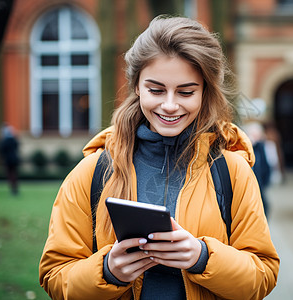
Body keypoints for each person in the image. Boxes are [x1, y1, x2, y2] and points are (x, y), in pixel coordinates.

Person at [39, 16, 279, 300]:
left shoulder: (233, 170)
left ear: (205, 92)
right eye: (155, 90)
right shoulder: (93, 171)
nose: (169, 105)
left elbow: (262, 277)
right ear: (137, 86)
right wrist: (107, 271)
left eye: (186, 92)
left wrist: (202, 257)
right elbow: (55, 277)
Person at [244, 122, 272, 217]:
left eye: (257, 135)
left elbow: (268, 164)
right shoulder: (245, 147)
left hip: (260, 182)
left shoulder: (263, 147)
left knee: (263, 205)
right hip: (249, 183)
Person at [0, 123, 19, 195]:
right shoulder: (13, 140)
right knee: (14, 174)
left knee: (10, 175)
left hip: (8, 160)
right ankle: (14, 188)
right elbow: (17, 147)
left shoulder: (4, 141)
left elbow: (0, 150)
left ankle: (13, 189)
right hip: (14, 159)